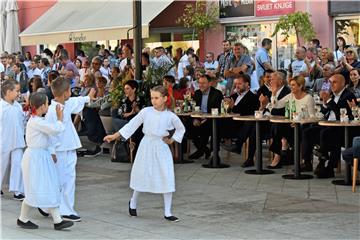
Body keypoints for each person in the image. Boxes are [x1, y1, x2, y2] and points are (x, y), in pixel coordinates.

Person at [104, 85, 185, 222]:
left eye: (157, 98)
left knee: (167, 175)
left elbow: (180, 129)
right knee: (142, 173)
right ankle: (133, 202)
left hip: (161, 146)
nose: (153, 101)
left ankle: (168, 212)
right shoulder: (146, 112)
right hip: (146, 145)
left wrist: (172, 140)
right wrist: (115, 136)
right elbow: (132, 125)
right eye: (152, 97)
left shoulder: (171, 116)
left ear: (165, 98)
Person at [17, 92, 73, 230]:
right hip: (35, 158)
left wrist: (51, 151)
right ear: (42, 106)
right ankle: (24, 218)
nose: (49, 106)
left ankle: (57, 220)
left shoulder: (38, 120)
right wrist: (60, 118)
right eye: (47, 103)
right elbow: (55, 130)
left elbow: (50, 135)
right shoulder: (36, 121)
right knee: (37, 188)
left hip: (40, 157)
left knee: (49, 186)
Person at [44, 77, 96, 221]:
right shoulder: (52, 110)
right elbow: (50, 132)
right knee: (61, 179)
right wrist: (52, 151)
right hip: (59, 150)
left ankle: (61, 207)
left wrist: (88, 97)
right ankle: (56, 207)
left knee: (69, 178)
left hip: (69, 146)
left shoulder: (66, 103)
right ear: (66, 92)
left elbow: (77, 101)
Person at [267, 76, 315, 169]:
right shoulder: (290, 96)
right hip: (291, 126)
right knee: (277, 125)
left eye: (293, 85)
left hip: (303, 127)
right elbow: (276, 105)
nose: (291, 87)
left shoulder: (308, 98)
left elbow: (312, 117)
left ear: (300, 86)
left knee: (282, 129)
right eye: (290, 85)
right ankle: (281, 150)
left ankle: (280, 153)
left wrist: (300, 121)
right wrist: (273, 93)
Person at [222, 74, 260, 167]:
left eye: (239, 84)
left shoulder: (253, 97)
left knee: (252, 128)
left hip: (243, 125)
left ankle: (239, 147)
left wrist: (233, 107)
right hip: (231, 123)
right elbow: (228, 111)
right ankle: (214, 155)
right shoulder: (234, 96)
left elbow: (247, 112)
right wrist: (226, 106)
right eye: (236, 84)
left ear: (247, 84)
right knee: (215, 123)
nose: (237, 86)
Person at [0, 80, 26, 200]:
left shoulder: (18, 106)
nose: (19, 93)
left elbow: (22, 122)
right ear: (8, 92)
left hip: (18, 140)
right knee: (2, 164)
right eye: (17, 91)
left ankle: (17, 190)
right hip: (4, 141)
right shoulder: (1, 107)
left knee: (18, 165)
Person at [188, 74, 223, 160]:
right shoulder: (197, 93)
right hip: (199, 118)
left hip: (212, 119)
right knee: (187, 126)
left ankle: (210, 153)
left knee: (211, 127)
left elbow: (218, 110)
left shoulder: (217, 93)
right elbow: (193, 108)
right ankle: (203, 149)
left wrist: (206, 119)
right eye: (199, 83)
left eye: (203, 83)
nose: (200, 85)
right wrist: (195, 119)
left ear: (209, 83)